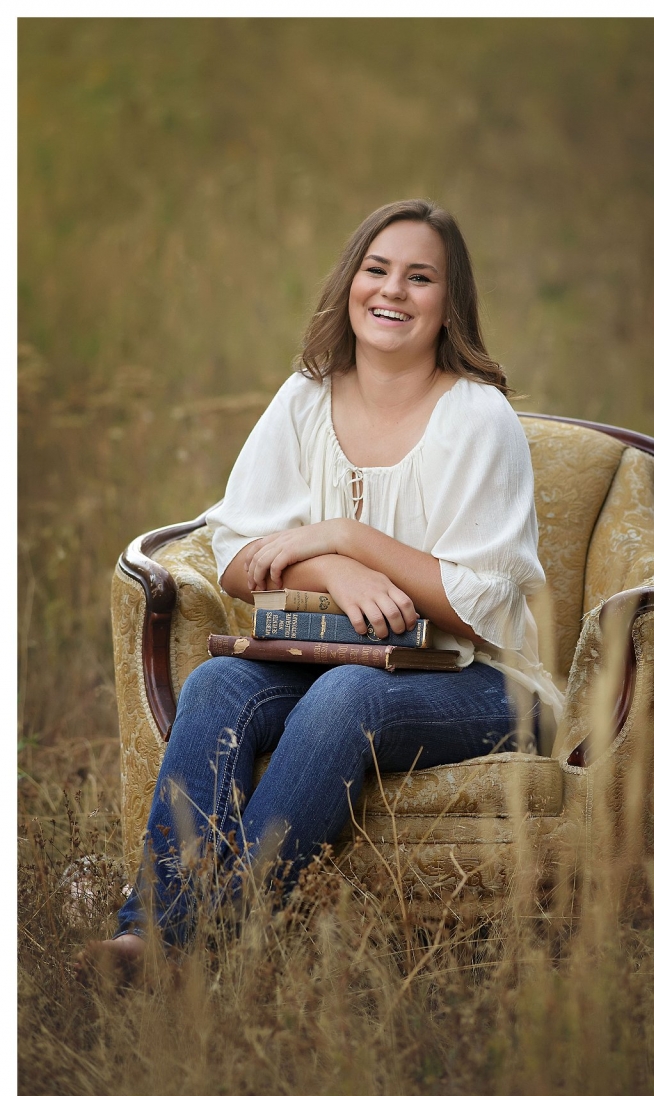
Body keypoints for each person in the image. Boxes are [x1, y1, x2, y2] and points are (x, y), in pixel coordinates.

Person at [76, 198, 563, 982]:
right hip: (339, 654)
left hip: (487, 683)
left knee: (346, 696)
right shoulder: (306, 397)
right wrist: (333, 571)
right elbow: (237, 553)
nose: (392, 291)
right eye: (376, 270)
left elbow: (486, 604)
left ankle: (209, 946)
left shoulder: (479, 418)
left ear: (449, 304)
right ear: (349, 286)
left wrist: (347, 537)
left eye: (420, 277)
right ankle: (150, 935)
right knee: (219, 683)